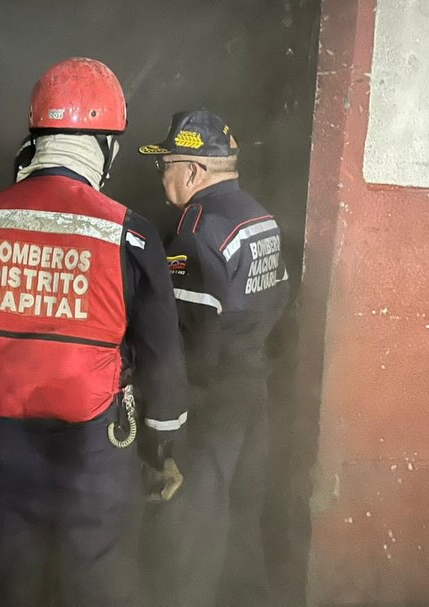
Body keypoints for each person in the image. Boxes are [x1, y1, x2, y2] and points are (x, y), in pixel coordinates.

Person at [0, 57, 188, 607]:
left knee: (2, 582)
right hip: (97, 453)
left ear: (35, 136)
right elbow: (161, 355)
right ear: (106, 144)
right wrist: (162, 446)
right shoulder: (129, 235)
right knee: (96, 586)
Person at [138, 109, 290, 607]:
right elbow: (281, 300)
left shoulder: (196, 231)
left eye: (166, 165)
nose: (162, 176)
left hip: (210, 403)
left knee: (191, 535)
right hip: (252, 390)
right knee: (242, 523)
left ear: (194, 172)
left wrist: (171, 424)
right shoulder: (259, 217)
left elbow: (187, 339)